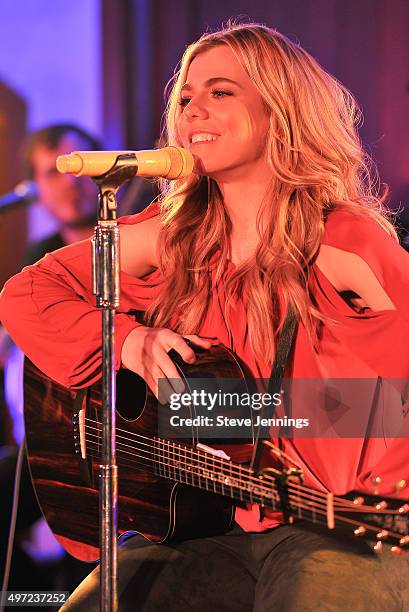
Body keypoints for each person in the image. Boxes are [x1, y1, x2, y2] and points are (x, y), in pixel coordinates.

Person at [1, 22, 409, 611]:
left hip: (339, 526)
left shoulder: (344, 242)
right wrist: (129, 343)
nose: (194, 110)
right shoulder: (172, 236)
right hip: (207, 520)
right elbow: (27, 293)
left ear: (281, 112)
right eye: (186, 97)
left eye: (221, 92)